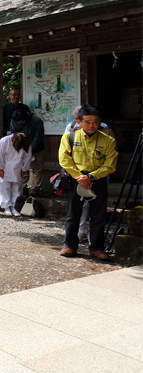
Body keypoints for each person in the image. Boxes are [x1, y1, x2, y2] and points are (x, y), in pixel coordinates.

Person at [58, 105, 118, 260]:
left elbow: (110, 165)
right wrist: (80, 177)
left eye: (95, 122)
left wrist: (90, 177)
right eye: (87, 122)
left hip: (97, 179)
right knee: (73, 214)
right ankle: (70, 246)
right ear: (78, 121)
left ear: (100, 122)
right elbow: (64, 160)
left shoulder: (108, 141)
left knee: (98, 215)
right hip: (75, 178)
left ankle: (96, 248)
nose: (92, 125)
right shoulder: (69, 137)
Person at [0, 132, 33, 216]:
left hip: (18, 167)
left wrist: (24, 169)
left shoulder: (25, 142)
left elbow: (28, 156)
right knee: (4, 187)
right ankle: (6, 207)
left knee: (17, 188)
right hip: (5, 167)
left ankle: (15, 207)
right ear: (13, 139)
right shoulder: (4, 141)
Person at [10, 108, 45, 195]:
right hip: (21, 149)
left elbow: (39, 137)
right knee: (23, 168)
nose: (20, 123)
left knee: (37, 168)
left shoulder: (36, 121)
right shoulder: (13, 121)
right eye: (19, 122)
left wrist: (30, 149)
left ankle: (34, 189)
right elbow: (13, 135)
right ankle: (23, 187)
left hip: (37, 149)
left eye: (22, 121)